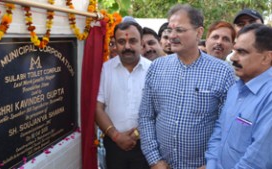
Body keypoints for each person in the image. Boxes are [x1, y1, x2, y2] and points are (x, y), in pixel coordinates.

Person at [138, 4, 235, 169]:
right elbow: (146, 117)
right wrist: (155, 160)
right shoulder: (156, 68)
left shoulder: (223, 72)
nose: (172, 36)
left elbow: (228, 126)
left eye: (180, 30)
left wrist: (211, 164)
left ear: (199, 33)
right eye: (170, 30)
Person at [205, 23, 272, 169]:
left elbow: (257, 161)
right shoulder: (235, 88)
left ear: (267, 58)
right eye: (234, 50)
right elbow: (219, 131)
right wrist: (211, 164)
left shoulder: (269, 98)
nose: (232, 57)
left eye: (242, 52)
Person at [95, 21, 151, 169]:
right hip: (114, 145)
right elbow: (97, 107)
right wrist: (116, 136)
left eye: (132, 41)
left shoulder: (152, 70)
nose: (127, 46)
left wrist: (136, 134)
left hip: (146, 145)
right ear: (115, 44)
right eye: (121, 42)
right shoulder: (104, 70)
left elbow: (160, 109)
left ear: (141, 43)